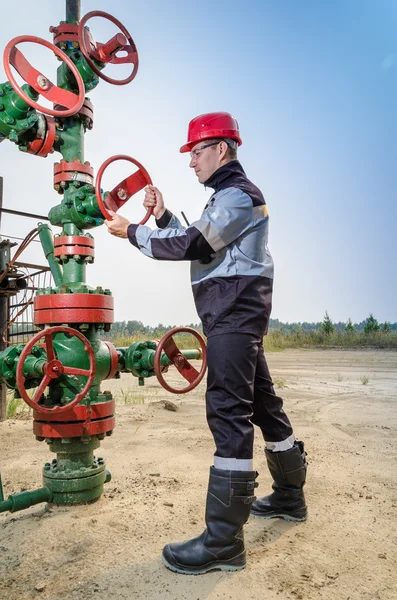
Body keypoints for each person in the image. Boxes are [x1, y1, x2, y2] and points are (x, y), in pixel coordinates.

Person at [105, 112, 307, 575]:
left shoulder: (237, 195)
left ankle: (222, 542)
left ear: (222, 148)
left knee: (227, 410)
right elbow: (205, 241)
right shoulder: (227, 198)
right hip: (236, 313)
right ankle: (290, 498)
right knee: (263, 404)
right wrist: (160, 215)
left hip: (234, 314)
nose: (190, 161)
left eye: (197, 151)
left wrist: (133, 232)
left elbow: (193, 244)